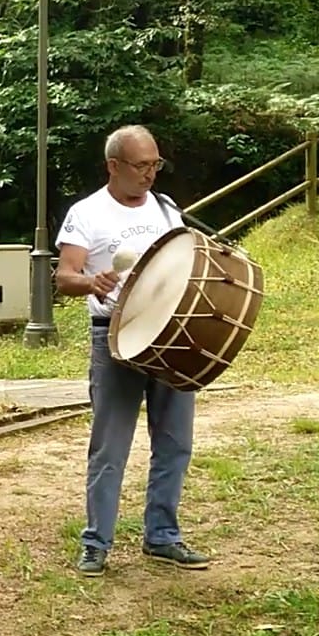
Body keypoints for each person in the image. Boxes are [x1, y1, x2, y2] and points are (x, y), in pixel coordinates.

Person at [54, 124, 211, 577]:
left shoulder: (166, 208)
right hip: (116, 337)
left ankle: (162, 536)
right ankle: (96, 542)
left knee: (176, 442)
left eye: (155, 164)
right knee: (110, 447)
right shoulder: (87, 213)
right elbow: (65, 276)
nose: (150, 174)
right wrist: (91, 281)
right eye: (141, 165)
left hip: (172, 334)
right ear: (114, 166)